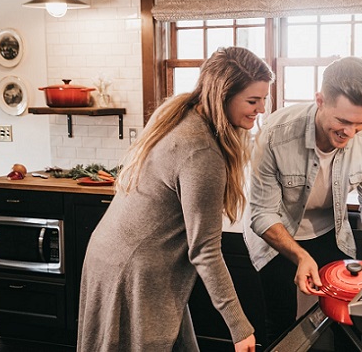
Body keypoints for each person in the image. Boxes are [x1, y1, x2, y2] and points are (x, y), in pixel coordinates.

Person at [77, 47, 274, 352]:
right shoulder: (201, 152)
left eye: (264, 99)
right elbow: (205, 251)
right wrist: (239, 326)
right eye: (252, 100)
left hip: (112, 256)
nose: (261, 109)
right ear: (223, 95)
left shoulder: (183, 114)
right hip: (135, 270)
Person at [244, 56, 362, 342]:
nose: (350, 133)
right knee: (282, 324)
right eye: (343, 121)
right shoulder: (275, 134)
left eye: (359, 124)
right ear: (320, 100)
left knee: (348, 323)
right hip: (277, 234)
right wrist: (300, 256)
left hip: (330, 232)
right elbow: (262, 213)